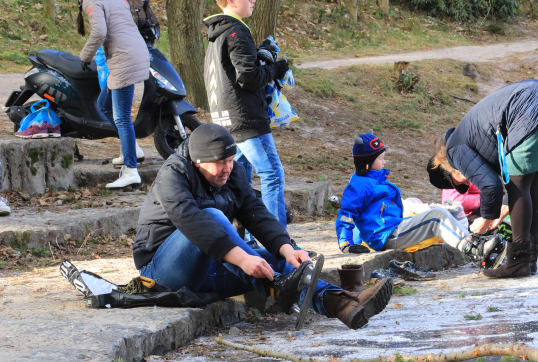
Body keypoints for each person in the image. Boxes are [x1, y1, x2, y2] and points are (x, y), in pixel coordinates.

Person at [132, 124, 394, 330]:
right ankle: (278, 287)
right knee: (212, 216)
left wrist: (286, 248)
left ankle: (342, 305)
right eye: (219, 164)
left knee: (283, 262)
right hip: (163, 274)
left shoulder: (232, 172)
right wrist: (244, 257)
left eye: (231, 160)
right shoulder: (173, 174)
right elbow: (193, 221)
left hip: (211, 268)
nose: (227, 169)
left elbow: (255, 212)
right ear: (198, 162)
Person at [428, 80, 538, 278]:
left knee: (518, 187)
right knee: (531, 186)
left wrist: (486, 219)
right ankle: (529, 258)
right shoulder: (472, 137)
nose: (467, 182)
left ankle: (518, 262)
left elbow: (492, 186)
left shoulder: (455, 150)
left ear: (450, 170)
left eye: (460, 183)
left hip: (533, 108)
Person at [336, 130, 506, 270]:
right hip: (386, 235)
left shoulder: (374, 180)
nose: (384, 161)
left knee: (442, 213)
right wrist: (347, 244)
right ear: (367, 162)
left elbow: (365, 214)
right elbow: (348, 214)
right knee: (436, 216)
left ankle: (475, 246)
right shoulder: (360, 185)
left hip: (393, 227)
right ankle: (474, 250)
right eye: (380, 158)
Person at [204, 0, 291, 227]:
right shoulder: (237, 31)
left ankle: (254, 241)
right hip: (245, 117)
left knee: (240, 180)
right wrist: (276, 69)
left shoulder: (217, 32)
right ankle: (279, 244)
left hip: (225, 118)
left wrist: (261, 58)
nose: (253, 0)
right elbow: (249, 78)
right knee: (272, 174)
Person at [75, 0, 149, 189]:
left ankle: (130, 170)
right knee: (104, 104)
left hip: (123, 59)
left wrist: (85, 56)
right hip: (136, 51)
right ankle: (132, 148)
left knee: (122, 118)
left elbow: (99, 32)